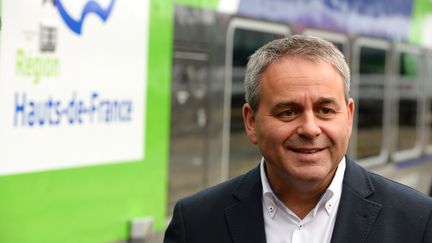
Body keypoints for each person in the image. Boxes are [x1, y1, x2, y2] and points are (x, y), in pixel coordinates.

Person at [164, 35, 432, 243]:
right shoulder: (196, 223)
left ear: (349, 117)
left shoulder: (417, 221)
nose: (310, 128)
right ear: (251, 122)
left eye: (325, 110)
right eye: (288, 112)